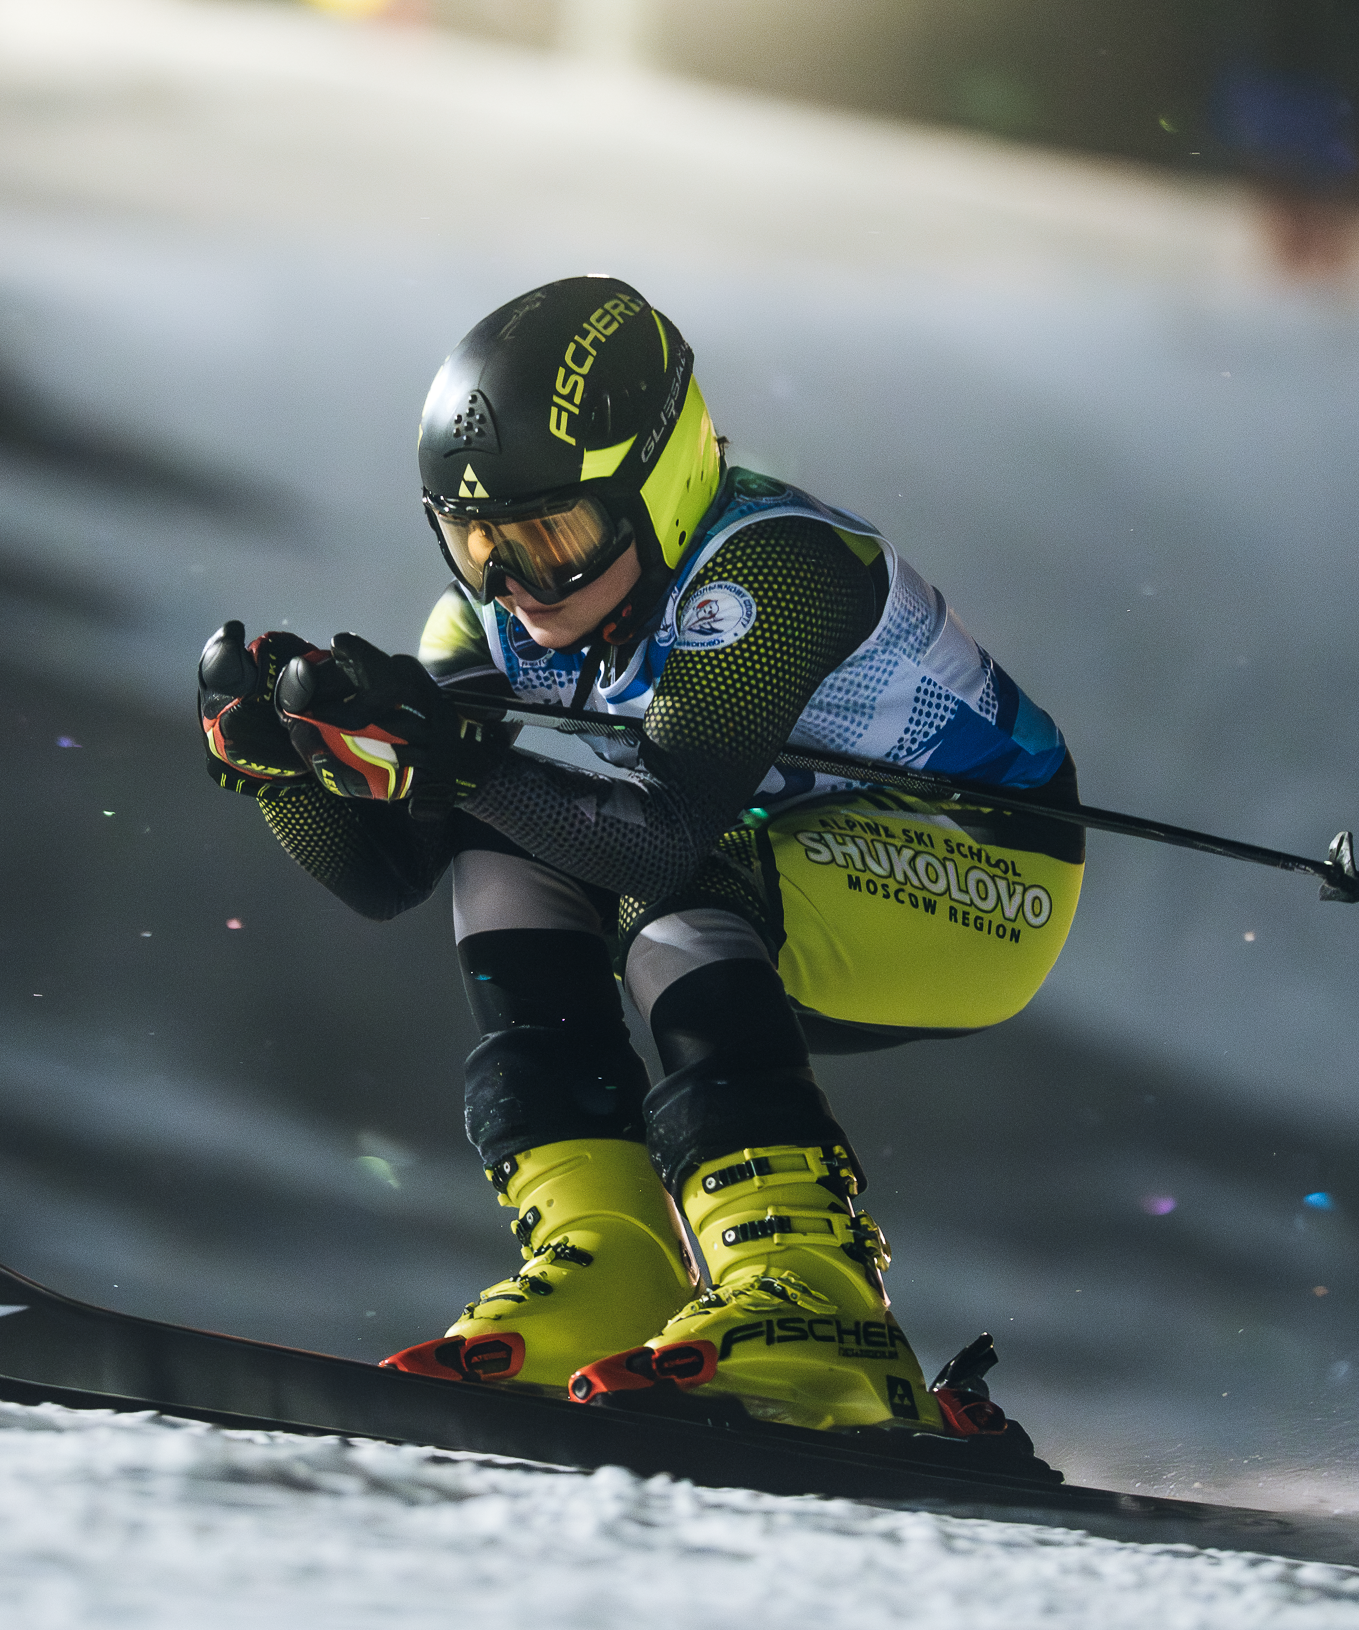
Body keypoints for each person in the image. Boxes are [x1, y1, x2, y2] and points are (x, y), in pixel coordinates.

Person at [198, 276, 1084, 1440]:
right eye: (476, 543)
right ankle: (611, 1260)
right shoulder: (486, 619)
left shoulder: (770, 569)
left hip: (981, 878)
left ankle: (815, 1297)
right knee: (502, 839)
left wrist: (454, 760)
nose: (514, 587)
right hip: (786, 855)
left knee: (662, 871)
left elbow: (663, 836)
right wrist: (298, 772)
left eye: (553, 541)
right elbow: (392, 872)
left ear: (655, 495)